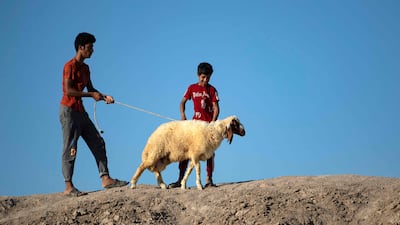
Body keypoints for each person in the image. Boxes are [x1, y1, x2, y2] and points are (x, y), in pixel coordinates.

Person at [59, 32, 128, 197]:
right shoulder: (69, 66)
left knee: (98, 141)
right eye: (90, 47)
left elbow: (91, 90)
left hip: (81, 112)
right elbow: (68, 90)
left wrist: (104, 97)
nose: (93, 51)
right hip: (69, 111)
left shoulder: (86, 68)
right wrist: (91, 96)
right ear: (81, 47)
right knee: (71, 148)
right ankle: (68, 186)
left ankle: (106, 178)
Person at [168, 62, 220, 188]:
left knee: (210, 152)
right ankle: (180, 178)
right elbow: (182, 102)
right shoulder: (192, 88)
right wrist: (183, 115)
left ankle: (209, 179)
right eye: (203, 77)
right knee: (186, 150)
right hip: (193, 126)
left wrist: (213, 122)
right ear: (198, 75)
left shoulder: (212, 90)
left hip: (207, 126)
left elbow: (216, 107)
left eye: (208, 77)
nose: (205, 80)